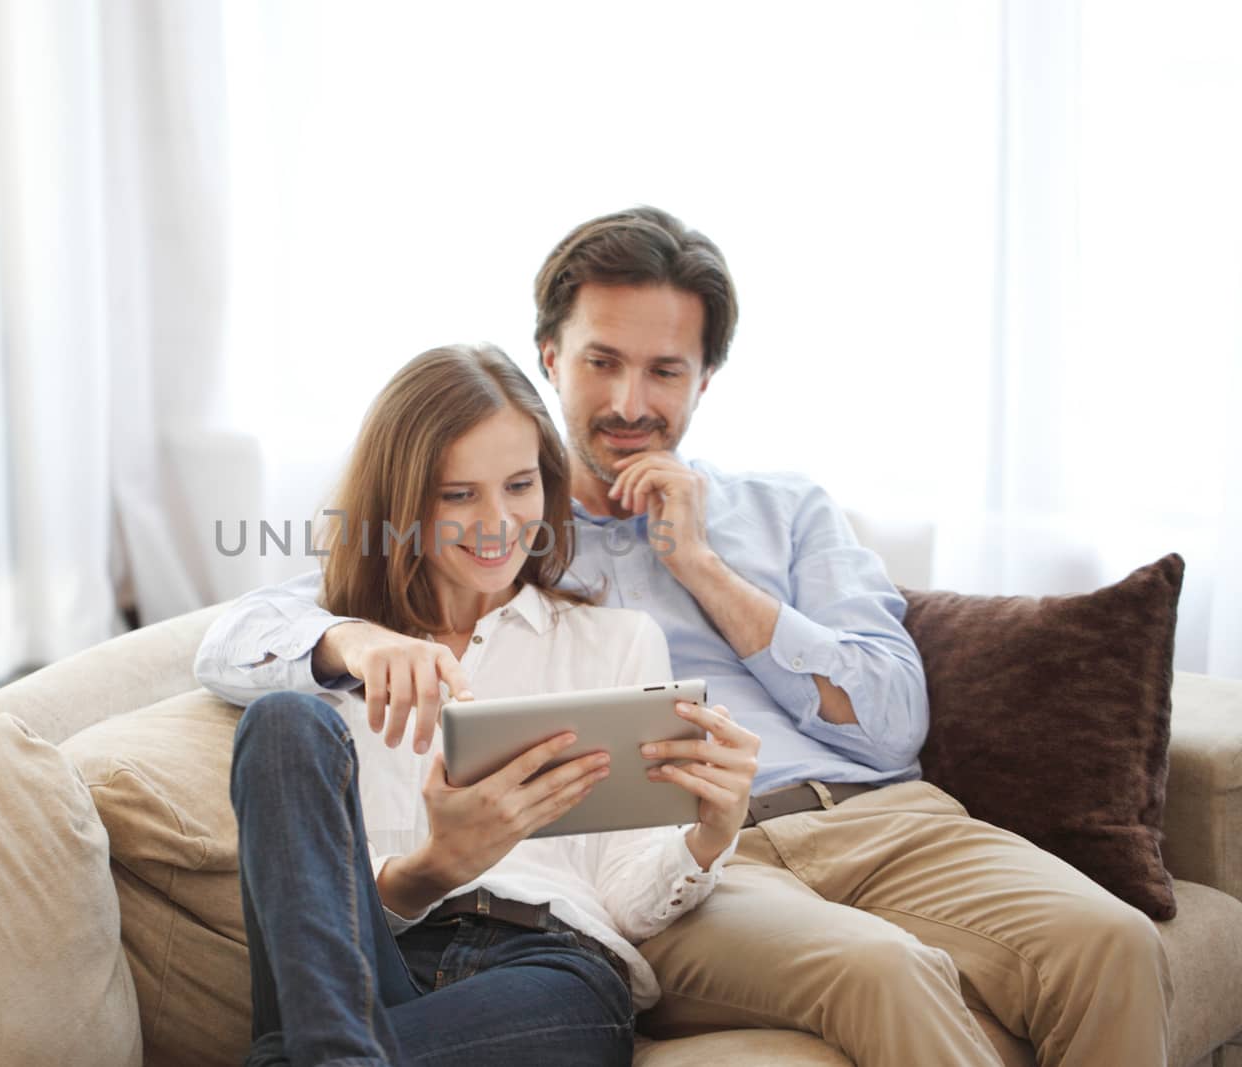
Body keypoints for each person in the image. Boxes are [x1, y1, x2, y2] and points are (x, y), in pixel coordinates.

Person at [198, 207, 1172, 1067]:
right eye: (601, 362)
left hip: (875, 814)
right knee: (884, 970)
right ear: (550, 360)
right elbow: (277, 620)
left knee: (1113, 941)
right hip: (711, 867)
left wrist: (702, 565)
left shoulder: (779, 513)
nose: (630, 400)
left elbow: (891, 724)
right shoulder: (498, 551)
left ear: (706, 377)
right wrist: (355, 644)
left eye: (664, 368)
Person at [214, 342, 760, 1066]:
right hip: (364, 964)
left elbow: (627, 897)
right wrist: (355, 645)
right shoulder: (328, 642)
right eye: (457, 493)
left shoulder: (617, 642)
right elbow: (220, 645)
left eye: (520, 485)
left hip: (545, 969)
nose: (498, 521)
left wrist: (709, 835)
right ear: (402, 501)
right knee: (283, 721)